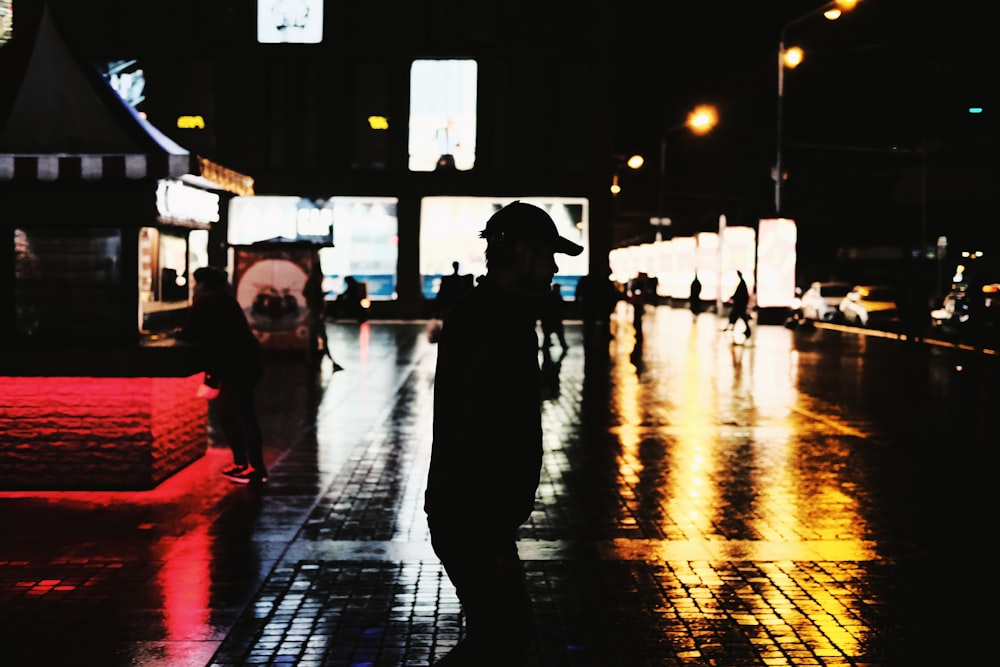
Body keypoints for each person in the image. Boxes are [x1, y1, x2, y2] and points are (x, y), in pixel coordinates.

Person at [424, 201, 583, 666]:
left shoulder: (497, 312)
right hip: (472, 515)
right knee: (503, 637)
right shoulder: (490, 318)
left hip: (476, 515)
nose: (554, 267)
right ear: (522, 255)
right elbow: (477, 425)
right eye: (549, 256)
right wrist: (491, 531)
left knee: (501, 637)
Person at [177, 266, 267, 484]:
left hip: (235, 364)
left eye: (195, 282)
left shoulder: (206, 300)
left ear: (203, 283)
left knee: (237, 415)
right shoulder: (224, 299)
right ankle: (246, 464)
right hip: (246, 360)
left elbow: (191, 332)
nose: (194, 286)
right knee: (237, 414)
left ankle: (253, 467)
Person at [303, 255, 344, 371]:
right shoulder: (314, 282)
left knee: (313, 338)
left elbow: (305, 293)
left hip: (313, 310)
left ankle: (311, 361)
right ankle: (331, 361)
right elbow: (311, 294)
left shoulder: (311, 281)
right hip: (315, 311)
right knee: (322, 336)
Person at [538, 282, 568, 349]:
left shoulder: (547, 296)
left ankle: (546, 348)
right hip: (556, 319)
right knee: (560, 335)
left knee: (547, 336)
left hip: (547, 319)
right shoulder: (557, 296)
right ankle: (564, 346)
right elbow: (562, 306)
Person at [726, 270, 752, 338]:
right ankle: (732, 327)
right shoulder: (742, 283)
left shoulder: (742, 283)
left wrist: (732, 297)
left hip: (740, 304)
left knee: (736, 315)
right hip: (741, 304)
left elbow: (739, 294)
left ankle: (731, 327)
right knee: (739, 316)